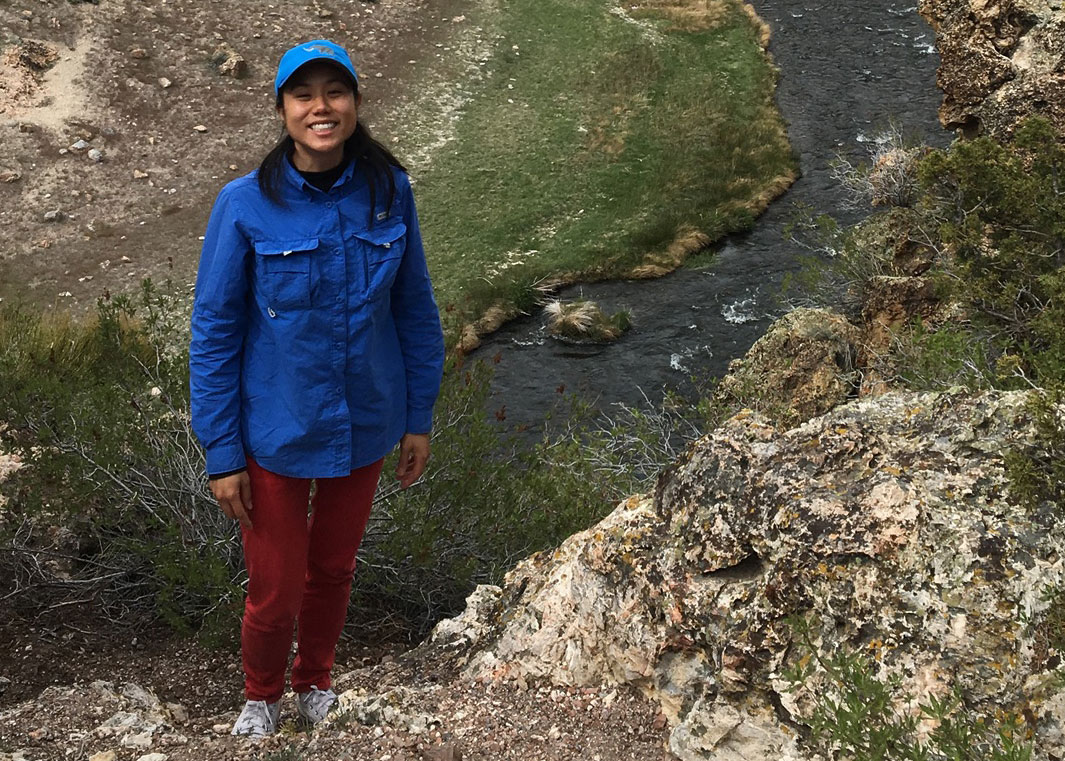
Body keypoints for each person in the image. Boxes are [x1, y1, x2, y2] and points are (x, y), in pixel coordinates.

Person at [188, 39, 445, 738]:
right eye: (304, 95)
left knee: (332, 569)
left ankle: (315, 683)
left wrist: (418, 417)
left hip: (365, 423)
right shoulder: (243, 204)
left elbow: (415, 309)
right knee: (274, 588)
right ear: (282, 109)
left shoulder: (390, 192)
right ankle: (262, 695)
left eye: (335, 91)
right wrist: (221, 451)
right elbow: (213, 333)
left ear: (356, 103)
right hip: (274, 430)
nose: (320, 107)